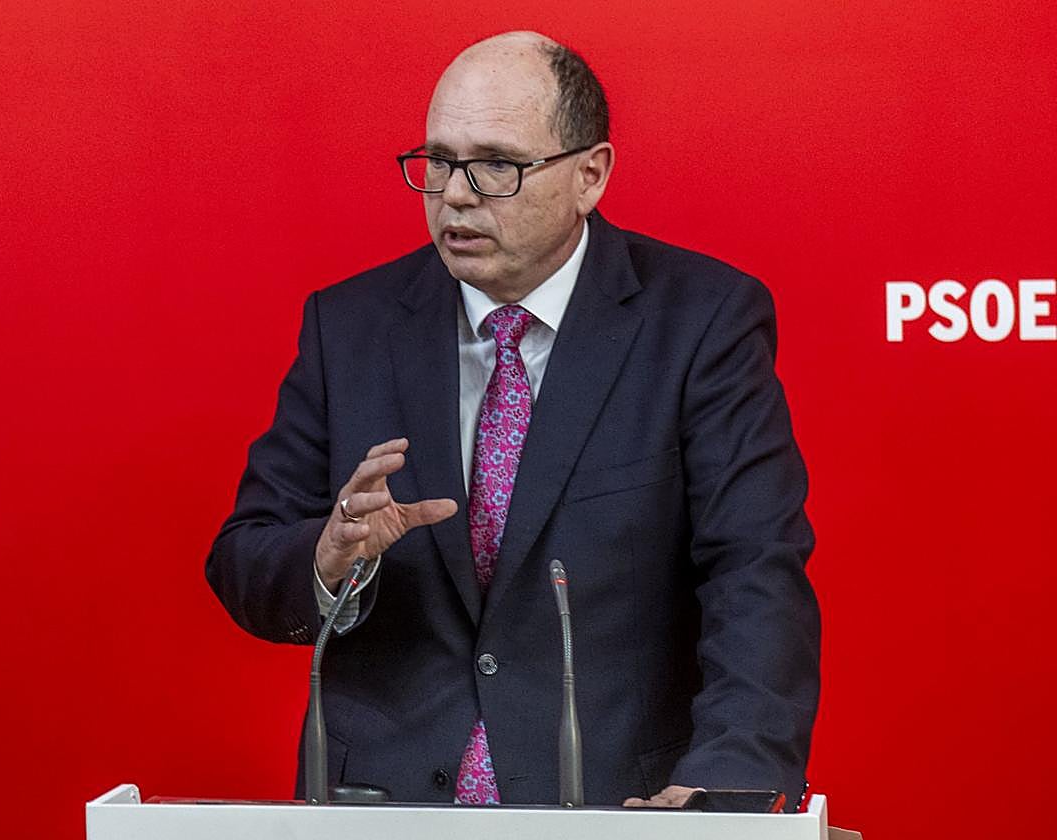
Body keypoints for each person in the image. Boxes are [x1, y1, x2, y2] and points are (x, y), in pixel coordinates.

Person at [206, 30, 820, 808]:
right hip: (380, 807)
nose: (456, 193)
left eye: (497, 164)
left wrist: (727, 780)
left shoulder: (701, 321)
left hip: (616, 803)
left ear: (589, 175)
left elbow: (754, 569)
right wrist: (327, 557)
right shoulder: (349, 327)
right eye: (438, 162)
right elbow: (244, 559)